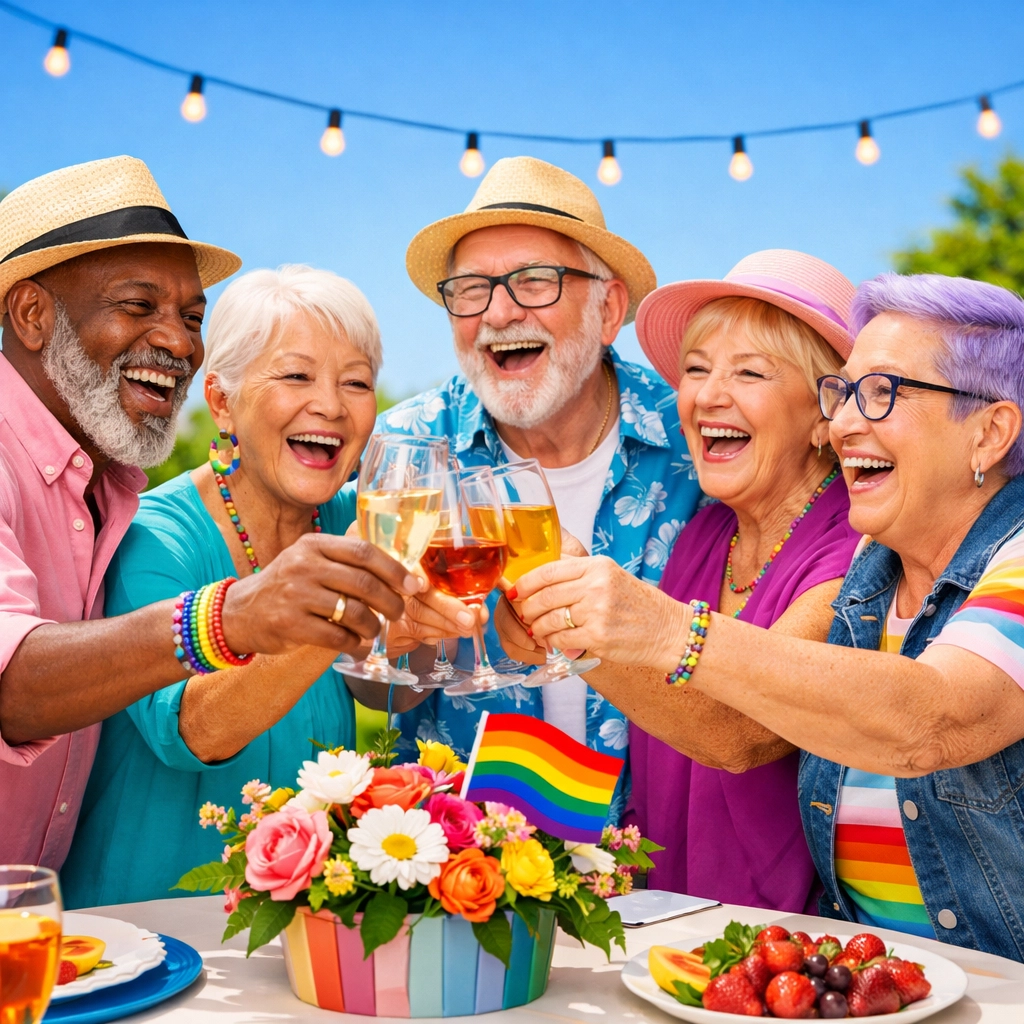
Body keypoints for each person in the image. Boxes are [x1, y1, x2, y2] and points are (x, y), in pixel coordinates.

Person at [512, 272, 1024, 961]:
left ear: (990, 433)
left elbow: (930, 720)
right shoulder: (875, 573)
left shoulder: (968, 556)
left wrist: (665, 631)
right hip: (865, 982)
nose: (845, 422)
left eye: (883, 394)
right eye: (843, 393)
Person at [0, 157, 462, 872]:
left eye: (357, 382)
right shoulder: (155, 529)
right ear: (222, 404)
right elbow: (191, 730)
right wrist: (283, 619)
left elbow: (388, 687)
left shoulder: (109, 493)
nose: (178, 341)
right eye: (296, 376)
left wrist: (429, 636)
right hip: (158, 922)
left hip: (288, 927)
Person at [497, 250, 861, 912]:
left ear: (823, 417)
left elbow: (738, 734)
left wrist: (571, 625)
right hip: (667, 930)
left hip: (791, 952)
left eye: (750, 372)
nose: (706, 396)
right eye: (696, 371)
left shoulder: (853, 552)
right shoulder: (703, 533)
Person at [383, 156, 701, 811]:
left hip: (668, 879)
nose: (498, 313)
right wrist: (402, 644)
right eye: (471, 288)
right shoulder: (409, 449)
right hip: (465, 878)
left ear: (609, 308)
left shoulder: (696, 442)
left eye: (534, 282)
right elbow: (378, 693)